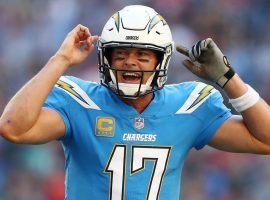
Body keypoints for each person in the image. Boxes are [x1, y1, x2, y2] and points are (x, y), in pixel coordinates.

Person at [0, 5, 270, 200]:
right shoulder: (80, 101)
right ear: (106, 58)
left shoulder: (188, 106)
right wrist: (60, 60)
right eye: (121, 53)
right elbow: (13, 127)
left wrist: (228, 79)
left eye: (143, 54)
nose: (130, 61)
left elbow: (266, 139)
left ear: (160, 61)